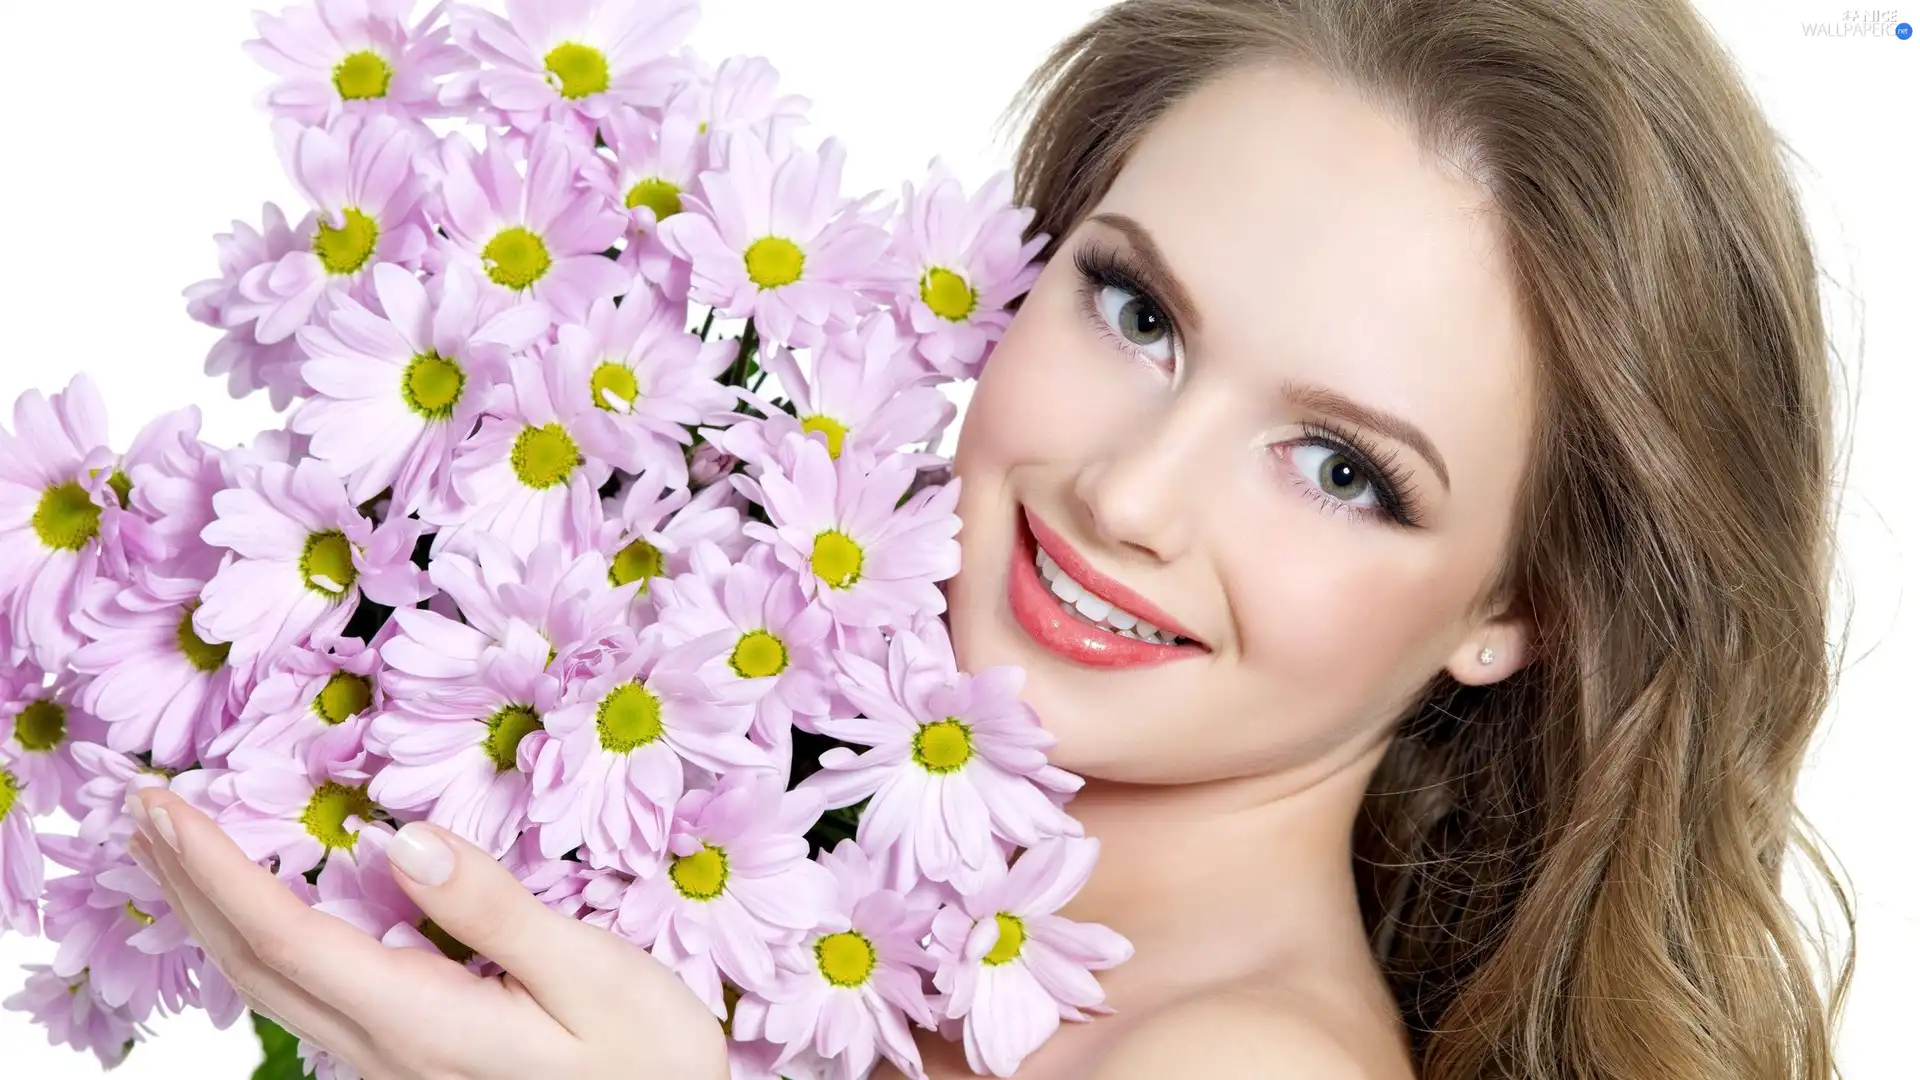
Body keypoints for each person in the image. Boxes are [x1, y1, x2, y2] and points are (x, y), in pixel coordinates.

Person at [122, 0, 1858, 1077]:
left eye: (1342, 470)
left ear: (1521, 609)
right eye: (1136, 310)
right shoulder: (772, 807)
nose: (1129, 496)